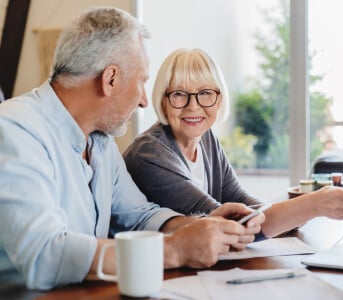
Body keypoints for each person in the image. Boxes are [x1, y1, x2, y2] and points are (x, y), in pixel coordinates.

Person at [0, 8, 264, 290]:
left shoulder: (100, 141)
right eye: (141, 82)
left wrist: (201, 225)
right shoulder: (14, 130)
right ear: (110, 79)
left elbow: (139, 216)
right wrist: (173, 250)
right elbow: (44, 255)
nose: (143, 101)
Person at [123, 48, 343, 239]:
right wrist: (311, 205)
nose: (194, 106)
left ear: (219, 98)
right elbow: (226, 224)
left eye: (205, 94)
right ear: (163, 100)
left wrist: (288, 217)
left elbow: (240, 200)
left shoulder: (207, 139)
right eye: (179, 94)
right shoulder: (150, 154)